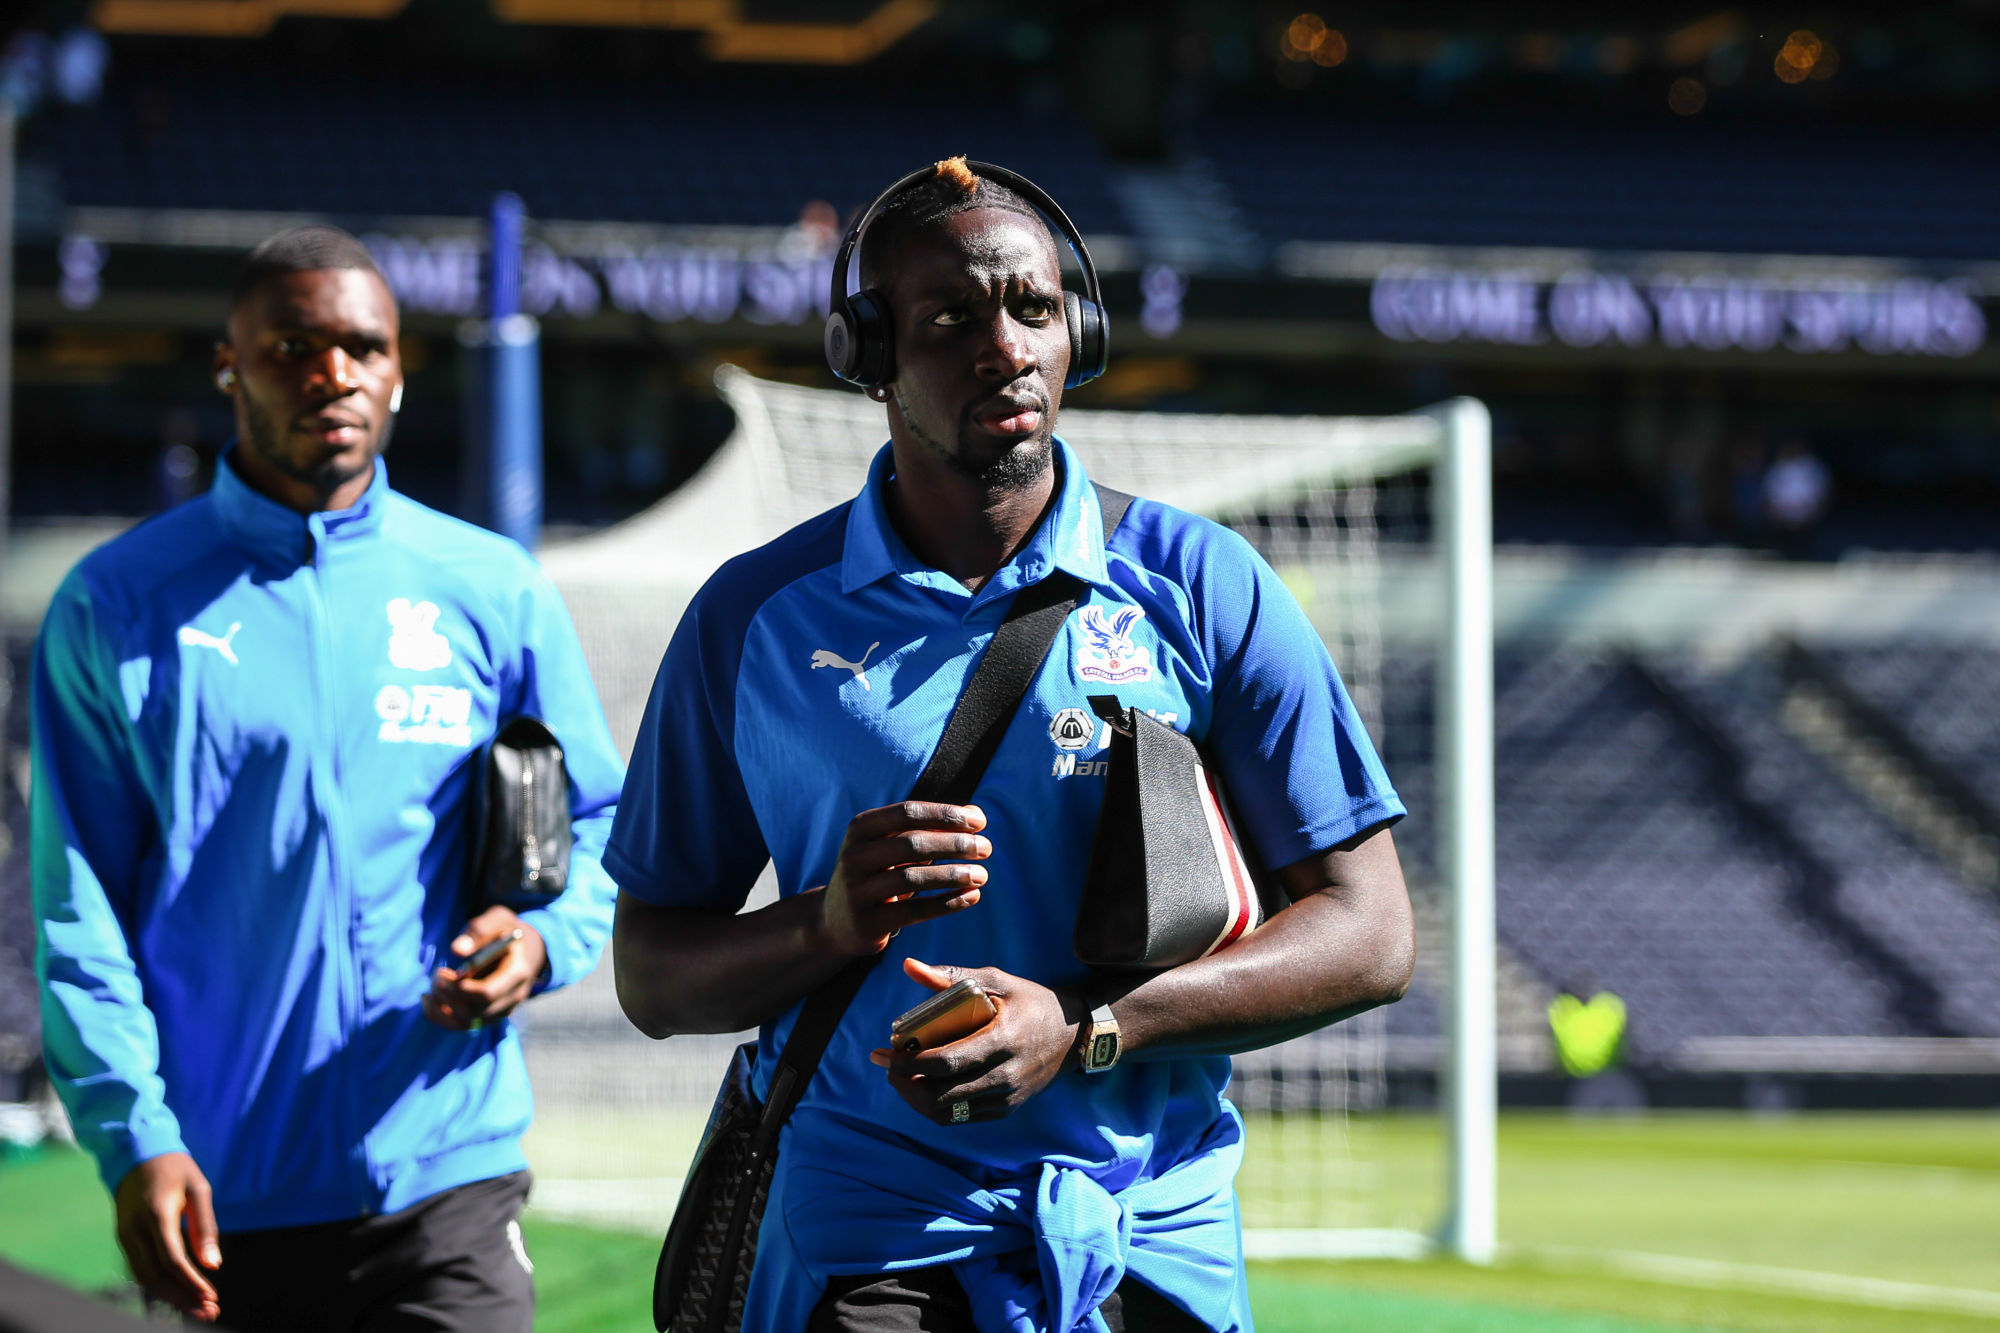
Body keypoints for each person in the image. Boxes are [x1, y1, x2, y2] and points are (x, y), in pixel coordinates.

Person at [609, 159, 1414, 1332]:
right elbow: (649, 976)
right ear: (868, 353)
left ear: (1077, 332)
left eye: (1032, 308)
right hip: (874, 1235)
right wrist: (827, 923)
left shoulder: (1202, 586)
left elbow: (1371, 931)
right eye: (950, 317)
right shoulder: (754, 616)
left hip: (1147, 1233)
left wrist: (1089, 1028)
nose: (1003, 346)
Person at [30, 226, 624, 1331]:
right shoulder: (115, 604)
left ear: (398, 371)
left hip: (449, 1173)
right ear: (230, 366)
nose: (333, 373)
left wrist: (544, 940)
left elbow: (602, 823)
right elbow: (80, 910)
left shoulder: (491, 589)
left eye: (363, 347)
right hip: (224, 1194)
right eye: (293, 347)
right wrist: (135, 1135)